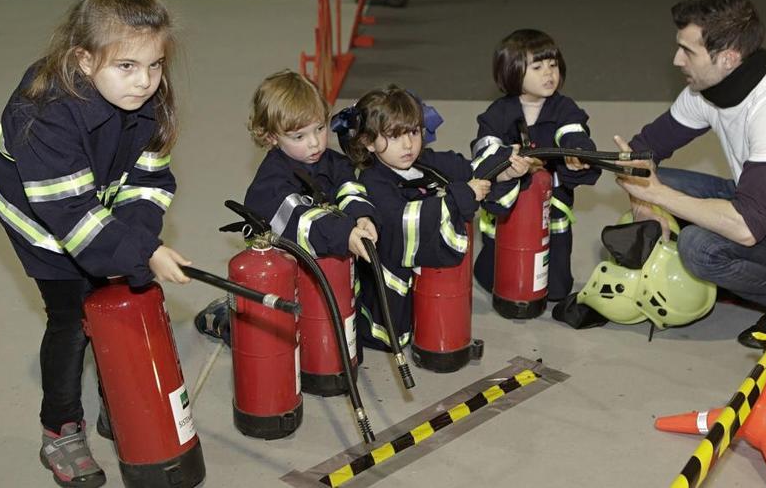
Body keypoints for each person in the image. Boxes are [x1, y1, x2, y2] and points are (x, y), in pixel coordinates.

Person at [0, 0, 192, 486]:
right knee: (73, 315)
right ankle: (60, 428)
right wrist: (142, 253)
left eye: (155, 64)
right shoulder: (42, 114)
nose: (144, 80)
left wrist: (138, 241)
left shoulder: (145, 94)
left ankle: (116, 399)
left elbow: (148, 181)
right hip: (42, 216)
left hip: (97, 195)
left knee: (120, 294)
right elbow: (70, 215)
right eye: (126, 65)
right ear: (83, 58)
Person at [614, 0, 766, 348]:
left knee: (700, 249)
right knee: (669, 186)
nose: (677, 59)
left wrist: (656, 194)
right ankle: (743, 279)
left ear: (727, 58)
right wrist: (644, 202)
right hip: (761, 204)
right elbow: (641, 151)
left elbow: (746, 227)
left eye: (688, 51)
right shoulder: (709, 89)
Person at [338, 86, 532, 351]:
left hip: (428, 295)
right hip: (391, 303)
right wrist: (459, 198)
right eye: (394, 136)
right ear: (368, 142)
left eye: (414, 132)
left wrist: (505, 172)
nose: (408, 145)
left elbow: (470, 169)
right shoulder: (373, 182)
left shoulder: (425, 162)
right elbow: (401, 221)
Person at [194, 70, 378, 344]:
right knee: (262, 336)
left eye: (319, 128)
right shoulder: (271, 183)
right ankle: (223, 319)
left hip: (322, 265)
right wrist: (343, 232)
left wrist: (361, 215)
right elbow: (300, 220)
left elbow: (349, 185)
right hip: (281, 272)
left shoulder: (331, 162)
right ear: (271, 137)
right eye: (299, 136)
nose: (315, 143)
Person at [471, 28, 601, 303]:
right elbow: (484, 151)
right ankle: (495, 275)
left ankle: (550, 282)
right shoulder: (497, 114)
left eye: (553, 65)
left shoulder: (564, 108)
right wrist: (505, 162)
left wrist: (577, 153)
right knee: (497, 267)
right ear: (512, 71)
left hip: (550, 204)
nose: (549, 73)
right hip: (508, 204)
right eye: (538, 66)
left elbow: (574, 132)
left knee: (556, 276)